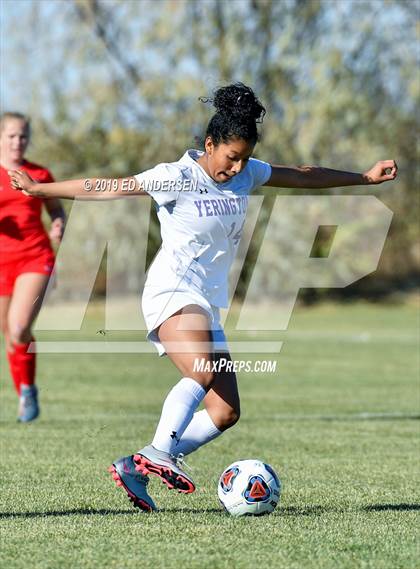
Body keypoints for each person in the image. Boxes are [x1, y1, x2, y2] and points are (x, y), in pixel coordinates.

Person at [9, 83, 397, 510]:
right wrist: (41, 190)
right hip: (172, 292)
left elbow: (303, 175)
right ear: (209, 144)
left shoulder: (248, 172)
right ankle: (159, 452)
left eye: (245, 158)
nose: (238, 167)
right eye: (232, 157)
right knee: (202, 367)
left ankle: (136, 466)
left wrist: (362, 177)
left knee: (225, 412)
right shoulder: (176, 175)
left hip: (206, 302)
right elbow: (108, 185)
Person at [0, 112, 66, 422]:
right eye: (12, 136)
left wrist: (57, 223)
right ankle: (26, 390)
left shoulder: (39, 173)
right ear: (1, 137)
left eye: (23, 136)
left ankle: (26, 392)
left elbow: (55, 206)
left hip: (35, 256)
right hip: (2, 262)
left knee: (19, 326)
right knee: (11, 336)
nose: (18, 142)